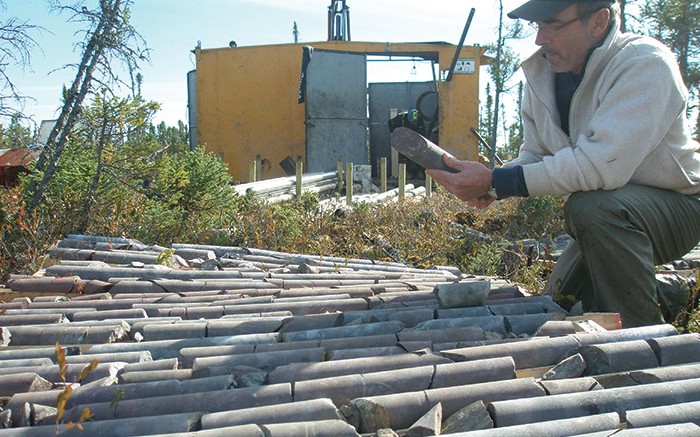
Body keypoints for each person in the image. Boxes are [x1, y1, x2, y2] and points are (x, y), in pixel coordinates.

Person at [426, 0, 700, 327]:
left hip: (677, 206)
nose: (540, 39)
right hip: (610, 211)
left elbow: (600, 166)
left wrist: (496, 181)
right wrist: (491, 184)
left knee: (592, 207)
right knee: (559, 302)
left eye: (553, 25)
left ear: (598, 22)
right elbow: (537, 154)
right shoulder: (544, 72)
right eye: (537, 27)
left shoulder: (644, 64)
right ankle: (671, 294)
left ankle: (645, 340)